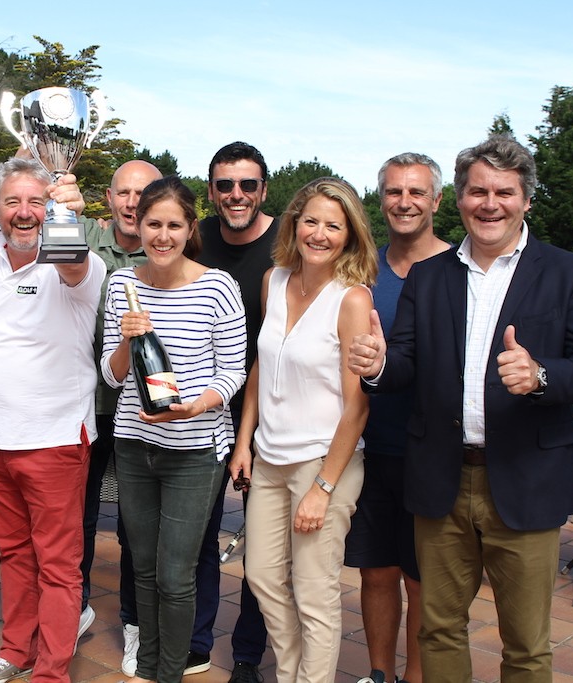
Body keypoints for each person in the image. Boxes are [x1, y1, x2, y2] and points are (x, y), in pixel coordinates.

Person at [348, 135, 573, 682]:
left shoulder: (570, 274)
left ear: (526, 200)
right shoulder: (431, 274)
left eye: (504, 192)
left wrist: (541, 375)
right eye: (478, 191)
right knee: (439, 628)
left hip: (525, 479)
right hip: (441, 477)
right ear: (460, 199)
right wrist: (376, 365)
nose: (490, 203)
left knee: (526, 642)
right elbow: (408, 364)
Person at [101, 176, 247, 683]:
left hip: (195, 449)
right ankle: (146, 665)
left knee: (175, 574)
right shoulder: (122, 285)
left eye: (173, 225)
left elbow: (233, 371)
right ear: (137, 226)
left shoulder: (217, 286)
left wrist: (194, 407)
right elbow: (112, 374)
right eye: (152, 224)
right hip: (135, 443)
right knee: (142, 565)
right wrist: (125, 339)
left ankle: (169, 672)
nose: (162, 236)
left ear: (190, 229)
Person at [232, 177, 377, 682]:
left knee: (315, 595)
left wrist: (323, 488)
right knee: (263, 578)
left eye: (333, 226)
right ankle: (292, 673)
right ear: (294, 224)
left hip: (323, 461)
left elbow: (357, 405)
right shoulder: (273, 279)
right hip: (269, 460)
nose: (319, 233)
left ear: (349, 235)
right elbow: (259, 366)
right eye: (310, 221)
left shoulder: (352, 299)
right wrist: (244, 442)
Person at [0, 157, 104, 683]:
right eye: (12, 202)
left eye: (37, 203)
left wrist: (67, 210)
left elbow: (72, 262)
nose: (24, 214)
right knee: (13, 554)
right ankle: (15, 651)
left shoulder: (79, 264)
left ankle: (52, 671)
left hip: (54, 443)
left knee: (58, 566)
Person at [344, 153, 450, 683]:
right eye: (393, 191)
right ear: (380, 197)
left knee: (422, 579)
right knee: (377, 570)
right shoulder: (364, 270)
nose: (403, 202)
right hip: (369, 446)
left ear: (436, 200)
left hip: (431, 452)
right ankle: (379, 675)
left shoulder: (459, 270)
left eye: (416, 192)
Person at [191, 141, 275, 682]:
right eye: (225, 185)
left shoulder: (288, 241)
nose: (236, 195)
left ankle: (247, 653)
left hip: (269, 410)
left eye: (247, 184)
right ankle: (197, 639)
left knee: (263, 541)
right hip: (202, 408)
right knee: (199, 530)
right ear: (212, 190)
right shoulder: (194, 237)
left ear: (264, 189)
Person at [79, 159, 162, 672]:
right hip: (83, 406)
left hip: (138, 413)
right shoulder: (81, 233)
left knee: (136, 524)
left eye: (144, 194)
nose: (133, 202)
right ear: (108, 198)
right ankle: (75, 607)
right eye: (125, 193)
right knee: (78, 518)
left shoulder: (169, 249)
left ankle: (134, 622)